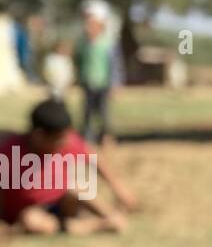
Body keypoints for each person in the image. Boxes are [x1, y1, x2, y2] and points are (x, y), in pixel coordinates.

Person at [0, 97, 137, 234]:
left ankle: (111, 216)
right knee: (31, 220)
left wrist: (119, 189)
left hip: (63, 203)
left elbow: (93, 159)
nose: (65, 142)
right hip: (30, 212)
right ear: (39, 135)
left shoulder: (67, 141)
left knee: (77, 188)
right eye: (59, 139)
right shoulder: (10, 151)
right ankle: (96, 226)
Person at [74, 10, 116, 144]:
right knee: (87, 111)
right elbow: (78, 61)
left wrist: (114, 83)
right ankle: (87, 137)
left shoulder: (107, 44)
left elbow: (114, 65)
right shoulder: (82, 44)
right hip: (87, 82)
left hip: (102, 83)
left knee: (103, 112)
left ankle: (105, 136)